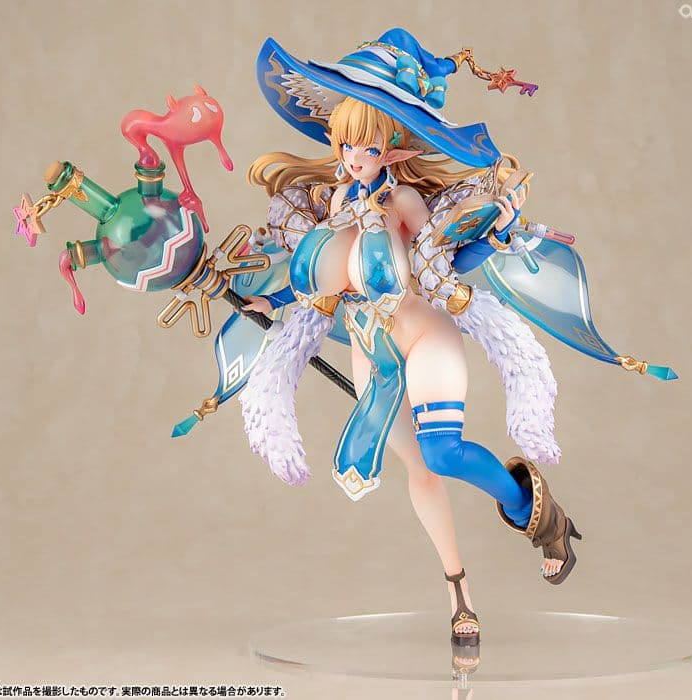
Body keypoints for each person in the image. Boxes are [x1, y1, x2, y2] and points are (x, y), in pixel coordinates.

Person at [239, 28, 581, 647]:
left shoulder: (402, 200)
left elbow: (442, 261)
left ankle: (535, 511)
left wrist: (496, 234)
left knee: (442, 453)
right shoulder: (333, 202)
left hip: (424, 335)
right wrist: (272, 300)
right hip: (371, 350)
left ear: (392, 148)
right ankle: (459, 594)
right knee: (419, 473)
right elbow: (325, 276)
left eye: (367, 145)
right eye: (346, 142)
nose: (353, 156)